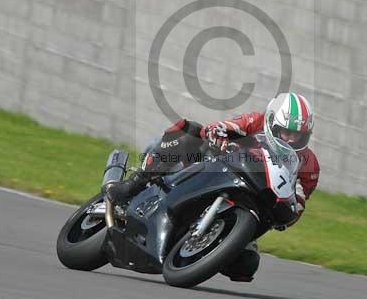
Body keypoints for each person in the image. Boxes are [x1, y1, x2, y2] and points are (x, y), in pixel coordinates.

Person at [105, 92, 320, 282]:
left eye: (297, 135)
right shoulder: (257, 121)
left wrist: (291, 213)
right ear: (272, 122)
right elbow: (227, 126)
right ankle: (136, 183)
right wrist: (219, 134)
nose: (291, 139)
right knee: (188, 133)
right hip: (220, 170)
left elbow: (299, 198)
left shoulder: (308, 164)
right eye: (286, 132)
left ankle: (207, 248)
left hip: (257, 204)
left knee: (246, 266)